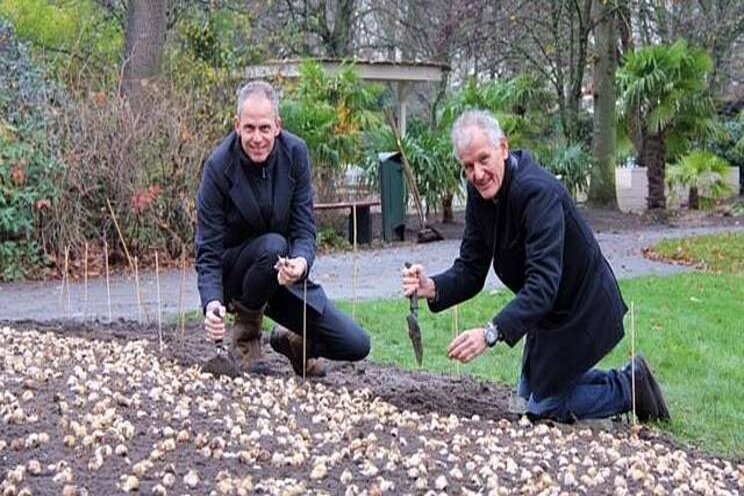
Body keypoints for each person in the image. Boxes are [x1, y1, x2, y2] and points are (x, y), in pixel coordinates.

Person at [401, 110, 670, 423]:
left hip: (583, 310)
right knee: (524, 402)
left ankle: (628, 389)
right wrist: (431, 287)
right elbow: (471, 270)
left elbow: (542, 286)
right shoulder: (480, 196)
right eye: (468, 166)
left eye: (483, 159)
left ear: (503, 147)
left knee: (543, 410)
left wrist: (489, 333)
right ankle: (628, 377)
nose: (477, 173)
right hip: (546, 314)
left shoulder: (537, 192)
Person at [195, 80, 370, 377]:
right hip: (238, 278)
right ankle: (246, 337)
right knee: (273, 244)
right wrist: (212, 303)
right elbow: (208, 251)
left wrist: (300, 264)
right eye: (249, 128)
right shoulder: (218, 167)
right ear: (237, 126)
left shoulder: (295, 153)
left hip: (283, 276)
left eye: (264, 128)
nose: (257, 138)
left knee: (356, 344)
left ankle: (292, 342)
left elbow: (304, 228)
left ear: (278, 125)